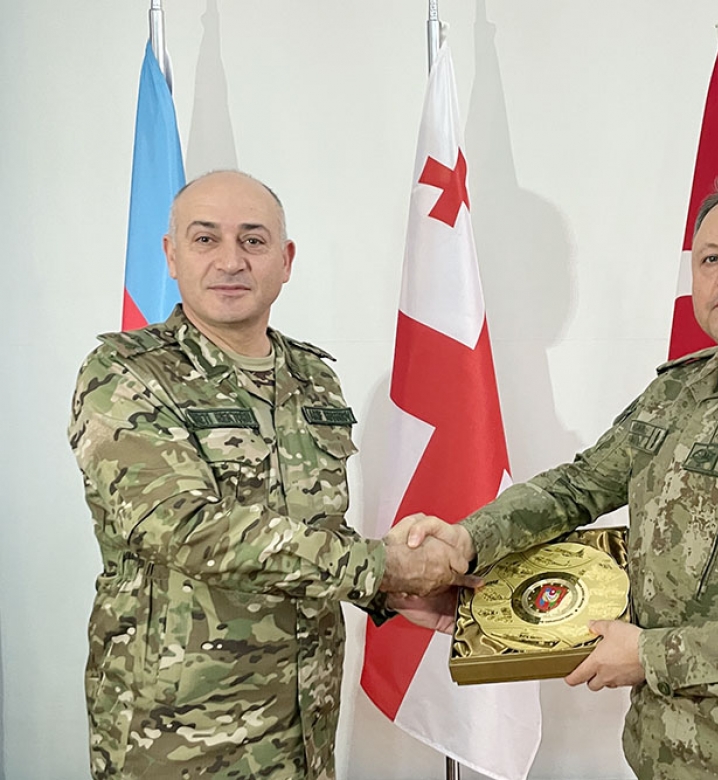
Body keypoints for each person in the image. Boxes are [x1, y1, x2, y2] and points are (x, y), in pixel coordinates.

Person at [404, 184, 718, 780]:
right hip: (664, 756)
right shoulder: (679, 389)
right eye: (711, 258)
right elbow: (579, 487)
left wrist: (649, 656)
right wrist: (468, 543)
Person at [67, 170, 473, 780]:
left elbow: (312, 531)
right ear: (172, 256)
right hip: (178, 738)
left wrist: (392, 591)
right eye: (206, 239)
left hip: (304, 724)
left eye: (253, 240)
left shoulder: (313, 378)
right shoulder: (125, 374)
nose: (231, 260)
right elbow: (184, 529)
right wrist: (380, 567)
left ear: (286, 261)